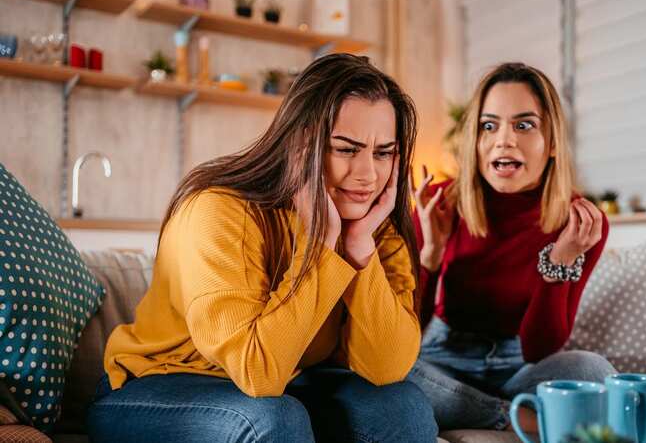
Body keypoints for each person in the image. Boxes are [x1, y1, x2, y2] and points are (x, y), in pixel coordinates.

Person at [88, 54, 438, 443]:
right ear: (301, 144)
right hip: (159, 388)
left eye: (383, 152)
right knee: (271, 419)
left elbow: (387, 367)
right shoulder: (218, 211)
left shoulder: (372, 227)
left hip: (284, 383)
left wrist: (357, 251)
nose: (368, 175)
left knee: (403, 406)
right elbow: (258, 371)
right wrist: (322, 245)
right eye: (346, 149)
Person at [408, 62, 615, 433]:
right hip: (442, 359)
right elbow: (408, 331)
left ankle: (488, 410)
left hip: (520, 364)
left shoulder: (581, 223)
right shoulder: (439, 202)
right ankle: (516, 418)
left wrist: (559, 261)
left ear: (551, 142)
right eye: (489, 126)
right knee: (389, 373)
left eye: (524, 125)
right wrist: (430, 260)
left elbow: (540, 349)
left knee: (594, 371)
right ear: (475, 141)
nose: (504, 139)